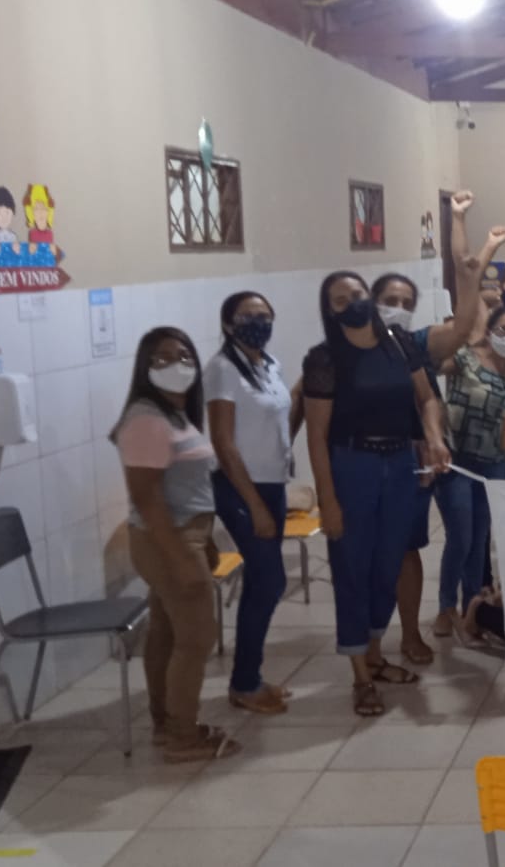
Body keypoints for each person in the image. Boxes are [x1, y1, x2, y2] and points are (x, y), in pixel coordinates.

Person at [302, 271, 449, 717]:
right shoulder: (325, 359)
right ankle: (360, 677)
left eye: (357, 294)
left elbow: (427, 398)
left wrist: (433, 438)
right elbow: (316, 436)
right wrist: (327, 500)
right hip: (353, 467)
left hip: (399, 464)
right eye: (340, 299)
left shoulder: (398, 345)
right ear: (330, 311)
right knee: (353, 569)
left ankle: (374, 654)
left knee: (388, 564)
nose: (352, 303)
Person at [370, 193, 505, 649]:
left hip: (439, 459)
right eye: (389, 300)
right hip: (386, 464)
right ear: (372, 303)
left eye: (405, 301)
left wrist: (470, 238)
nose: (397, 306)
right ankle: (392, 635)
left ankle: (454, 616)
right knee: (392, 551)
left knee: (455, 542)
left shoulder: (417, 344)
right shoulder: (353, 355)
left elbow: (464, 320)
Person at [114, 327, 240, 762]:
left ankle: (167, 724)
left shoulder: (173, 412)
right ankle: (183, 736)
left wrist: (203, 543)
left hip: (184, 535)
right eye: (163, 359)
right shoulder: (147, 420)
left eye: (184, 356)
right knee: (197, 637)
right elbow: (147, 499)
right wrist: (182, 558)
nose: (177, 366)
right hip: (167, 538)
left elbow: (185, 487)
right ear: (145, 367)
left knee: (167, 634)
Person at [204, 293, 293, 715]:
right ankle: (243, 682)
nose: (258, 322)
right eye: (247, 316)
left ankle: (249, 677)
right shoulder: (222, 369)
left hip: (273, 485)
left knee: (262, 582)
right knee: (270, 580)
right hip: (241, 487)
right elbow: (223, 442)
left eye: (264, 315)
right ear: (228, 324)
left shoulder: (269, 364)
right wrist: (254, 504)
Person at [438, 305, 505, 640]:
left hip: (493, 463)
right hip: (456, 460)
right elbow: (428, 368)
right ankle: (445, 607)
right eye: (503, 330)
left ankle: (473, 608)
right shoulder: (464, 359)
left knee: (480, 538)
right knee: (460, 537)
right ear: (489, 330)